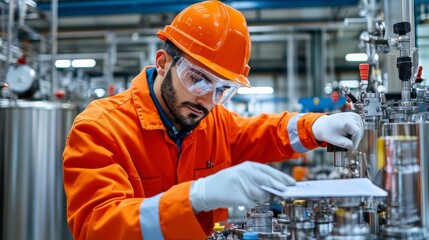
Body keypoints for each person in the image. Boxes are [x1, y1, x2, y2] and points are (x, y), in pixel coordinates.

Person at [62, 1, 364, 239]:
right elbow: (95, 227)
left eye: (222, 90)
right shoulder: (100, 128)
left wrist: (313, 127)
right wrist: (195, 197)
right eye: (197, 79)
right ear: (163, 63)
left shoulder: (213, 121)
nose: (206, 100)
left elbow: (261, 133)